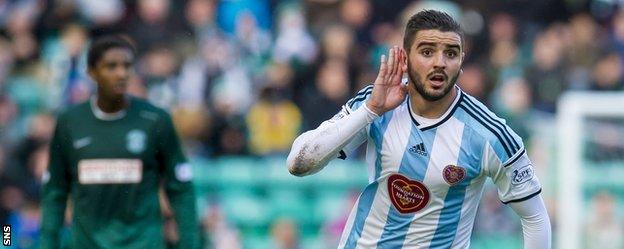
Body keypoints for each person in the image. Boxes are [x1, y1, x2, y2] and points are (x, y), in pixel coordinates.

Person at [287, 10, 551, 248]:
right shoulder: (375, 105)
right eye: (427, 52)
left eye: (451, 53)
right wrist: (370, 110)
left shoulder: (489, 134)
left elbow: (535, 218)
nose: (440, 62)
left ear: (461, 61)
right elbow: (299, 163)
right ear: (405, 57)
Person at [40, 35, 199, 249]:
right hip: (88, 244)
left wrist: (190, 244)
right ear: (91, 72)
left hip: (143, 244)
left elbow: (181, 188)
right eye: (111, 66)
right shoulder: (71, 122)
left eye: (127, 66)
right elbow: (55, 191)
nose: (121, 74)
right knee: (7, 238)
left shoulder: (155, 120)